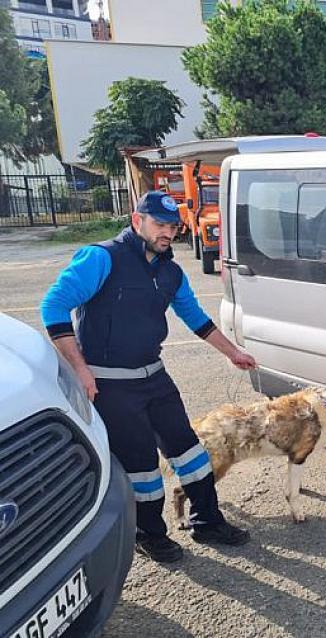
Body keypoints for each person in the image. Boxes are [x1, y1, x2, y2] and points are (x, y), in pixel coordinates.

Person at [41, 191, 257, 563]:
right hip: (111, 384)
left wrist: (233, 352)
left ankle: (206, 521)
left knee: (190, 451)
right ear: (136, 220)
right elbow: (53, 306)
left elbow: (195, 317)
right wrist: (80, 368)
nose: (167, 232)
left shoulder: (169, 270)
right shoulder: (102, 258)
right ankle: (149, 535)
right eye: (159, 224)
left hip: (154, 377)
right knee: (141, 465)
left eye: (172, 226)